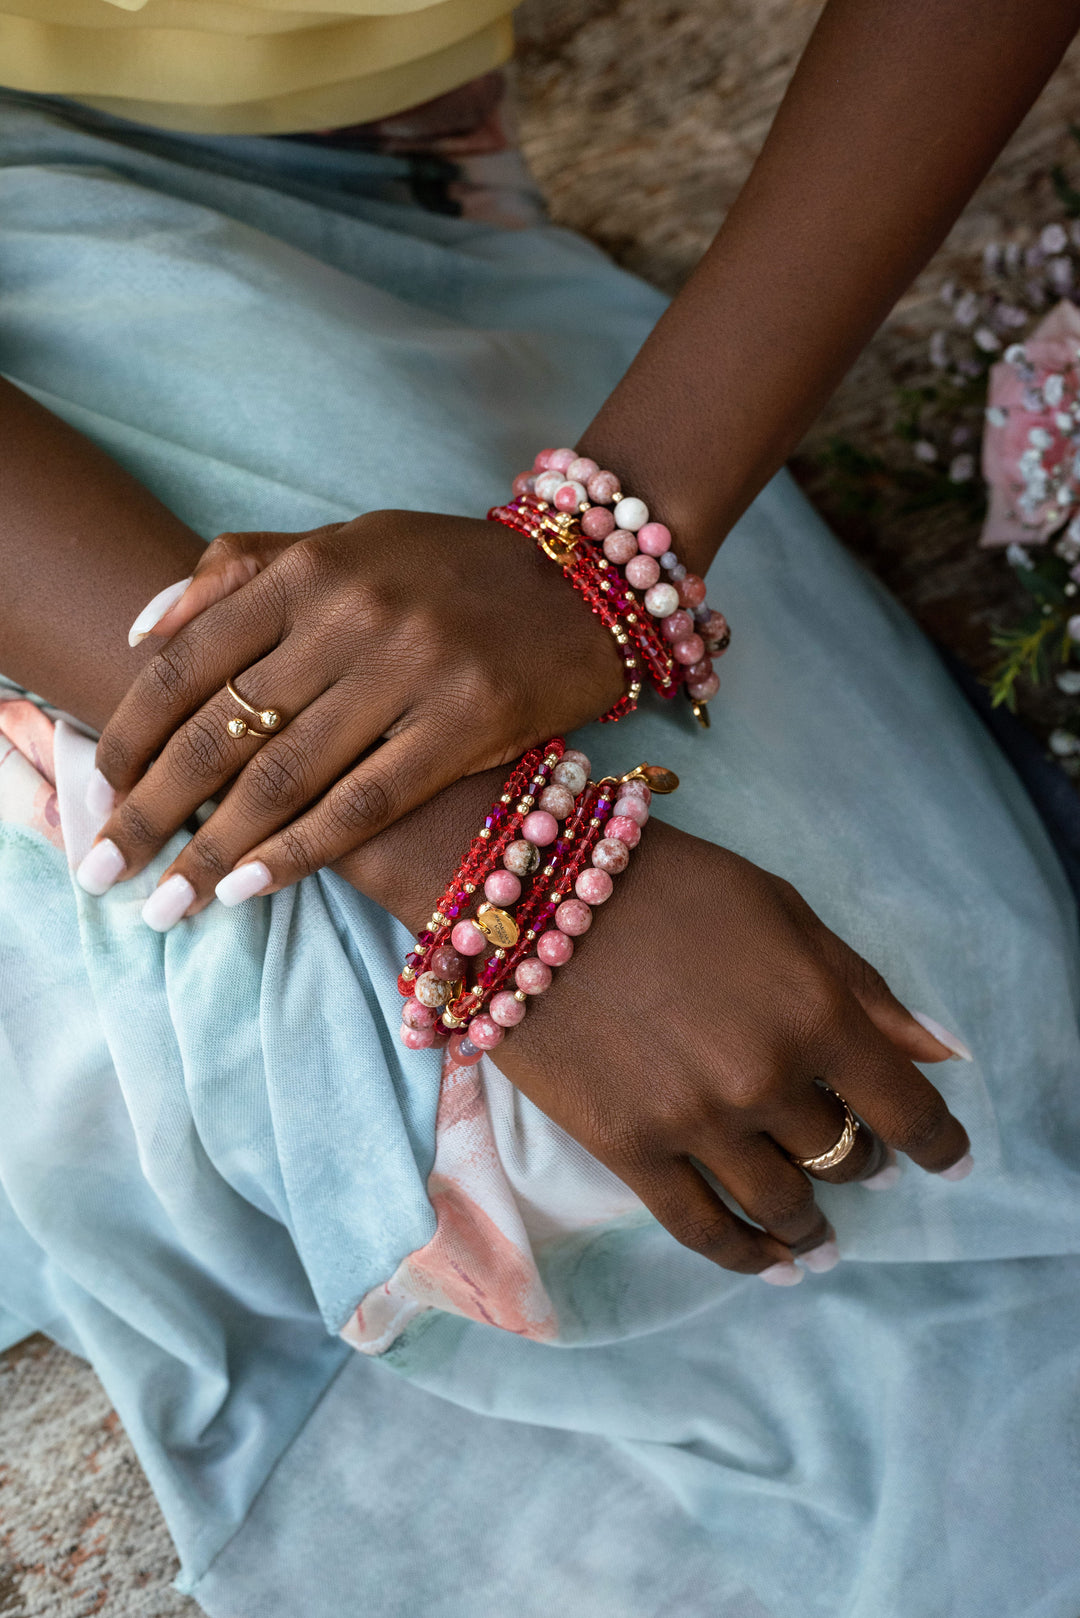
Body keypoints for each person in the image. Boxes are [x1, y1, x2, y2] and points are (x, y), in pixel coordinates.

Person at [1, 2, 1080, 1614]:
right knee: (425, 1100)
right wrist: (486, 862)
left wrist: (604, 544)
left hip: (402, 197)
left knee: (913, 1021)